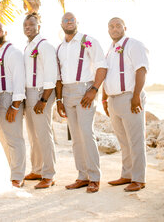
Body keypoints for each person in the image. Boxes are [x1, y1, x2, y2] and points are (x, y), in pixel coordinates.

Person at [55, 12, 107, 193]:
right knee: (76, 138)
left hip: (85, 90)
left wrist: (94, 89)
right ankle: (82, 176)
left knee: (86, 134)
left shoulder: (88, 41)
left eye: (72, 20)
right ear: (61, 24)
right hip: (67, 93)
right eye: (65, 20)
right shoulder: (60, 47)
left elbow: (102, 65)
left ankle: (94, 177)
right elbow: (59, 76)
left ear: (77, 22)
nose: (69, 22)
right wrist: (59, 100)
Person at [102, 17, 149, 192]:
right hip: (113, 100)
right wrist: (105, 99)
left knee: (135, 140)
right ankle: (127, 174)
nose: (114, 29)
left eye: (117, 25)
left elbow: (141, 69)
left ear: (124, 28)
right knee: (123, 141)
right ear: (108, 30)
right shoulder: (110, 50)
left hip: (130, 98)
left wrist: (136, 95)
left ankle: (139, 179)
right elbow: (107, 75)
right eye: (111, 26)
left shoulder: (133, 44)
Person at [22, 13, 58, 189]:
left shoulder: (45, 46)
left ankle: (49, 174)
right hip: (29, 93)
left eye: (31, 24)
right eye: (25, 24)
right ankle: (37, 169)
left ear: (39, 26)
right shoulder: (27, 47)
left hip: (41, 94)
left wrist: (44, 99)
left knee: (44, 134)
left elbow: (52, 75)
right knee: (33, 135)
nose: (28, 27)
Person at [0, 22, 27, 188]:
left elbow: (19, 80)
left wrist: (15, 105)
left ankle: (18, 176)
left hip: (10, 98)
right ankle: (11, 173)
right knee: (3, 139)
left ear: (6, 32)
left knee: (15, 139)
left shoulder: (14, 53)